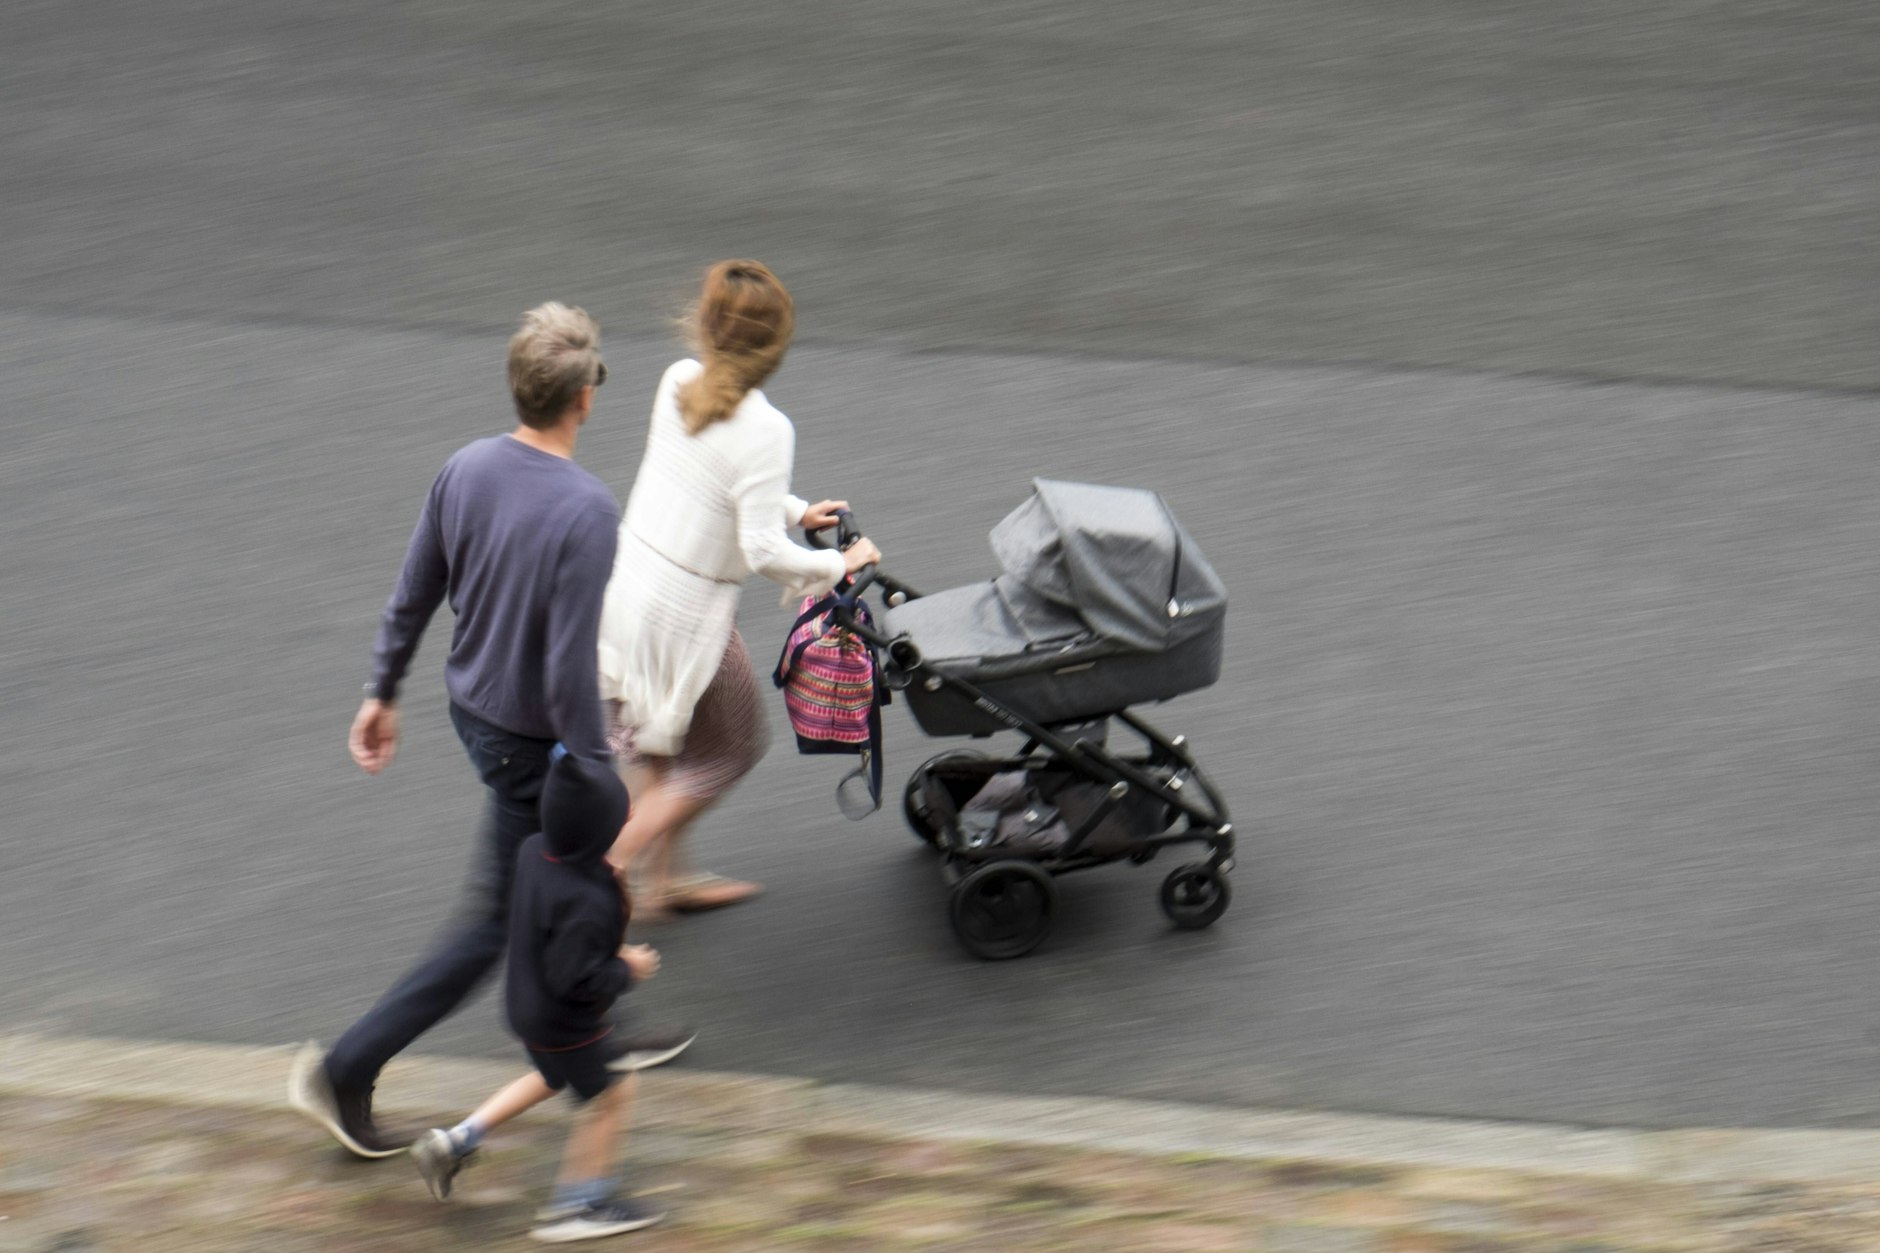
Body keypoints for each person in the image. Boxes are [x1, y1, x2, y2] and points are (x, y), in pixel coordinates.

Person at [289, 303, 688, 1161]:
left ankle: (600, 1013)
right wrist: (593, 771)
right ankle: (346, 1067)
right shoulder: (585, 508)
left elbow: (413, 591)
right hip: (530, 741)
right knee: (496, 924)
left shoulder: (466, 467)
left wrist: (380, 690)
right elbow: (568, 663)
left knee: (550, 888)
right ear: (584, 399)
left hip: (474, 712)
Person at [598, 260, 880, 914]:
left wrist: (796, 509)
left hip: (625, 593)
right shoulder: (770, 428)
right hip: (683, 616)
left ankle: (661, 883)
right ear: (774, 350)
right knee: (727, 750)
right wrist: (843, 564)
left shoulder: (677, 381)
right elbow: (759, 551)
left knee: (659, 748)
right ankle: (611, 860)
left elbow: (715, 476)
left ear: (705, 324)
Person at [411, 749, 665, 1242]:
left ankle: (458, 1139)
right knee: (614, 1092)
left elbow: (556, 936)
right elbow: (578, 977)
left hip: (525, 1004)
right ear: (598, 834)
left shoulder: (534, 849)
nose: (631, 812)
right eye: (621, 811)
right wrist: (624, 967)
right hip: (562, 1021)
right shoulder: (590, 901)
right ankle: (578, 1205)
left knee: (550, 1075)